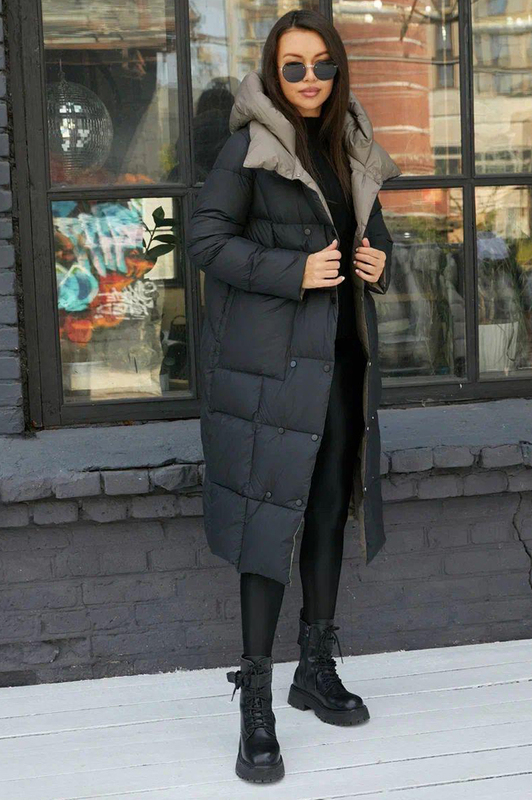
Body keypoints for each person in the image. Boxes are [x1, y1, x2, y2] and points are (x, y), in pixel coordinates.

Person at [186, 8, 401, 784]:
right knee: (266, 520)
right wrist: (295, 271)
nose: (311, 79)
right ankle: (256, 705)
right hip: (271, 372)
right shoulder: (250, 147)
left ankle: (315, 667)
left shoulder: (349, 144)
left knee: (327, 509)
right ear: (273, 75)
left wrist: (380, 261)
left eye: (322, 65)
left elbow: (371, 234)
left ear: (338, 70)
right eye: (294, 67)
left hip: (339, 364)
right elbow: (206, 241)